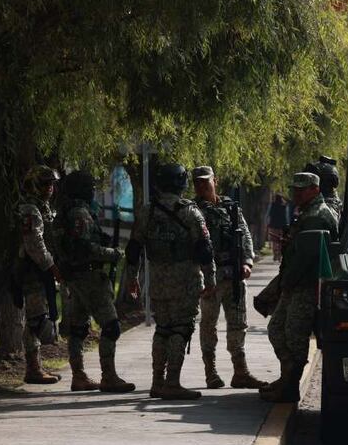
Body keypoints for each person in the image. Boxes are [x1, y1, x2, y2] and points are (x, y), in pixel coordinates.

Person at [126, 163, 216, 400]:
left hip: (156, 280)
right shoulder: (191, 212)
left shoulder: (148, 211)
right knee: (181, 328)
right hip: (185, 281)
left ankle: (157, 381)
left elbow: (133, 248)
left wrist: (131, 278)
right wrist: (211, 280)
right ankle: (172, 382)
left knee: (162, 328)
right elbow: (205, 250)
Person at [261, 172, 338, 403]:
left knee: (294, 336)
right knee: (278, 329)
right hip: (296, 283)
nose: (296, 193)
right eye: (295, 189)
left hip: (305, 286)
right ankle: (287, 378)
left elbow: (307, 258)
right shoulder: (308, 213)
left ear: (315, 190)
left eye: (301, 189)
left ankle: (290, 385)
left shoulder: (317, 216)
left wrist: (284, 284)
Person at [55, 170, 135, 393]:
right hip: (90, 277)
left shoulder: (67, 212)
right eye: (91, 188)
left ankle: (79, 376)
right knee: (111, 326)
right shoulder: (80, 213)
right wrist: (112, 253)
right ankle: (108, 376)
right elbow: (83, 248)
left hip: (76, 279)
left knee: (78, 329)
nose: (94, 192)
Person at [192, 166, 267, 390]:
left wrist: (247, 262)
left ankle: (240, 372)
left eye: (205, 181)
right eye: (197, 183)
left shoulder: (230, 207)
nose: (201, 186)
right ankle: (210, 372)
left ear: (215, 180)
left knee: (238, 324)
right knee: (208, 325)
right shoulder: (193, 210)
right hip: (210, 278)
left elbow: (244, 235)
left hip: (233, 276)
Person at [16, 165, 63, 385]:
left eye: (52, 183)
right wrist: (51, 266)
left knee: (37, 318)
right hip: (32, 271)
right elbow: (34, 243)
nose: (50, 188)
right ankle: (33, 369)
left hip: (41, 271)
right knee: (37, 321)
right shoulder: (29, 209)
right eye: (45, 183)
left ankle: (35, 367)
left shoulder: (42, 208)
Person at [267, 194, 289, 262]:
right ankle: (279, 255)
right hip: (282, 226)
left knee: (274, 241)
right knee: (280, 241)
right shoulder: (284, 206)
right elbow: (286, 215)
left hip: (273, 225)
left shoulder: (272, 205)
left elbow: (268, 214)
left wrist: (268, 222)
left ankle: (275, 255)